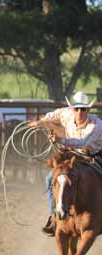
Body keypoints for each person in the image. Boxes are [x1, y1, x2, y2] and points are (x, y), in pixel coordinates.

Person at [30, 91, 102, 236]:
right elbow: (52, 115)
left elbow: (83, 142)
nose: (80, 112)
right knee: (50, 179)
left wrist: (60, 140)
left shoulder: (97, 125)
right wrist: (40, 121)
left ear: (88, 110)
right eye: (77, 109)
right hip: (73, 155)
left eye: (83, 109)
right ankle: (54, 216)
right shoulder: (66, 114)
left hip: (94, 155)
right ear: (72, 109)